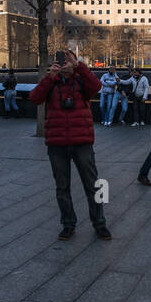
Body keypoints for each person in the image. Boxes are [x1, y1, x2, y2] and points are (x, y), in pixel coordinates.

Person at [26, 49, 114, 241]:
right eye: (60, 61)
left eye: (67, 61)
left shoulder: (81, 79)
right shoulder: (51, 82)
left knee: (93, 185)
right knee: (62, 187)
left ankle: (100, 223)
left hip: (82, 142)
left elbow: (96, 86)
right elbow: (34, 98)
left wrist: (79, 66)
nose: (63, 64)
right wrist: (50, 77)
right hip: (57, 144)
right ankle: (68, 224)